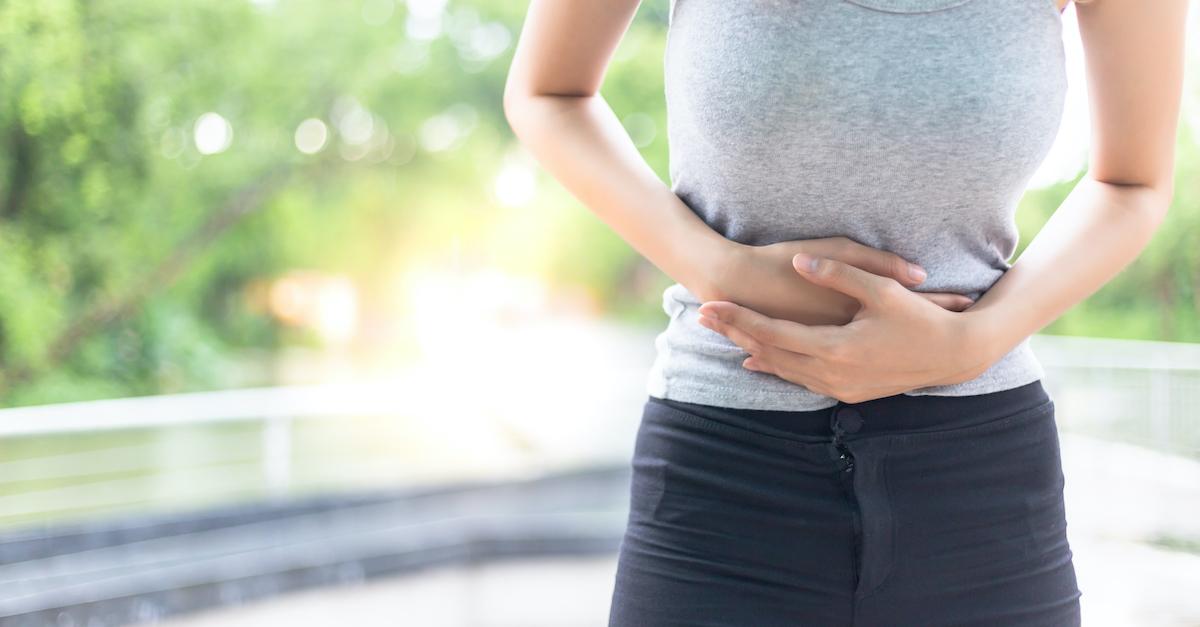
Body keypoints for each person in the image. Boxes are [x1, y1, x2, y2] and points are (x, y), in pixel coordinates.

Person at [503, 0, 1187, 624]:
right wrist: (719, 268)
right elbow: (547, 91)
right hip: (723, 483)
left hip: (982, 489)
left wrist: (972, 342)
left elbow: (1132, 183)